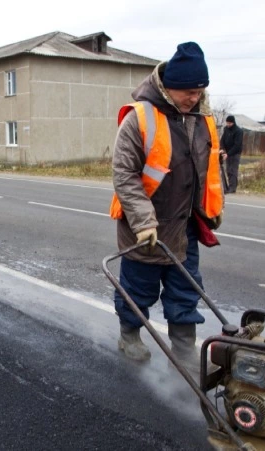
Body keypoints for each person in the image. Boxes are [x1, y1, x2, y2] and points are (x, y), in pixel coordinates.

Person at [109, 42, 224, 367]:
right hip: (144, 229)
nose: (195, 97)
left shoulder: (203, 120)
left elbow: (208, 170)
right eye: (189, 91)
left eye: (200, 91)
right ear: (168, 86)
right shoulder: (139, 119)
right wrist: (145, 222)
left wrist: (212, 209)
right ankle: (129, 336)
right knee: (137, 291)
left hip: (184, 228)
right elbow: (124, 174)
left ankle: (184, 352)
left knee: (185, 293)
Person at [220, 115, 243, 194]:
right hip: (227, 152)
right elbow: (222, 140)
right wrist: (222, 149)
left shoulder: (238, 131)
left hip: (235, 153)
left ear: (233, 122)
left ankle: (233, 188)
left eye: (230, 123)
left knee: (233, 170)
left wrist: (228, 154)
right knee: (228, 170)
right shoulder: (226, 129)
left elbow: (237, 145)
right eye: (227, 123)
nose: (228, 124)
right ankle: (229, 186)